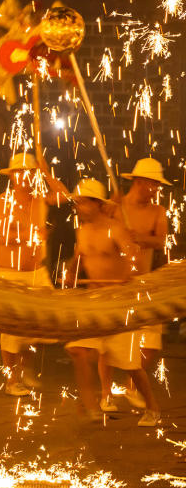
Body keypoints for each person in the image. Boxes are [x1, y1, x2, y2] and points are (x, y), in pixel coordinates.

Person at [62, 179, 161, 426]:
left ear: (97, 205)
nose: (79, 207)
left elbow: (134, 258)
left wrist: (132, 272)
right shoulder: (82, 230)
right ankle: (90, 405)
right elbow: (79, 256)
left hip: (119, 303)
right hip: (94, 301)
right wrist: (71, 271)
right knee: (78, 349)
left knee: (130, 366)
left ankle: (153, 408)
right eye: (78, 203)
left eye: (83, 202)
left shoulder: (115, 229)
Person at [0, 152, 69, 396]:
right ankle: (12, 380)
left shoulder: (40, 199)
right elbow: (3, 236)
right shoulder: (1, 202)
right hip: (9, 273)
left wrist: (46, 172)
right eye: (20, 172)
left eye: (29, 172)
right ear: (12, 176)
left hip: (36, 272)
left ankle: (27, 371)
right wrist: (33, 235)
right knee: (11, 329)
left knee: (38, 325)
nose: (25, 176)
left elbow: (65, 195)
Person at [115, 157, 170, 407]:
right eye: (153, 184)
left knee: (152, 341)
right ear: (140, 181)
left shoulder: (158, 211)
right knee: (113, 342)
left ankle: (131, 384)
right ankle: (105, 395)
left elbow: (160, 241)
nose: (156, 189)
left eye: (158, 185)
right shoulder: (116, 207)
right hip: (117, 283)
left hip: (144, 281)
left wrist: (140, 239)